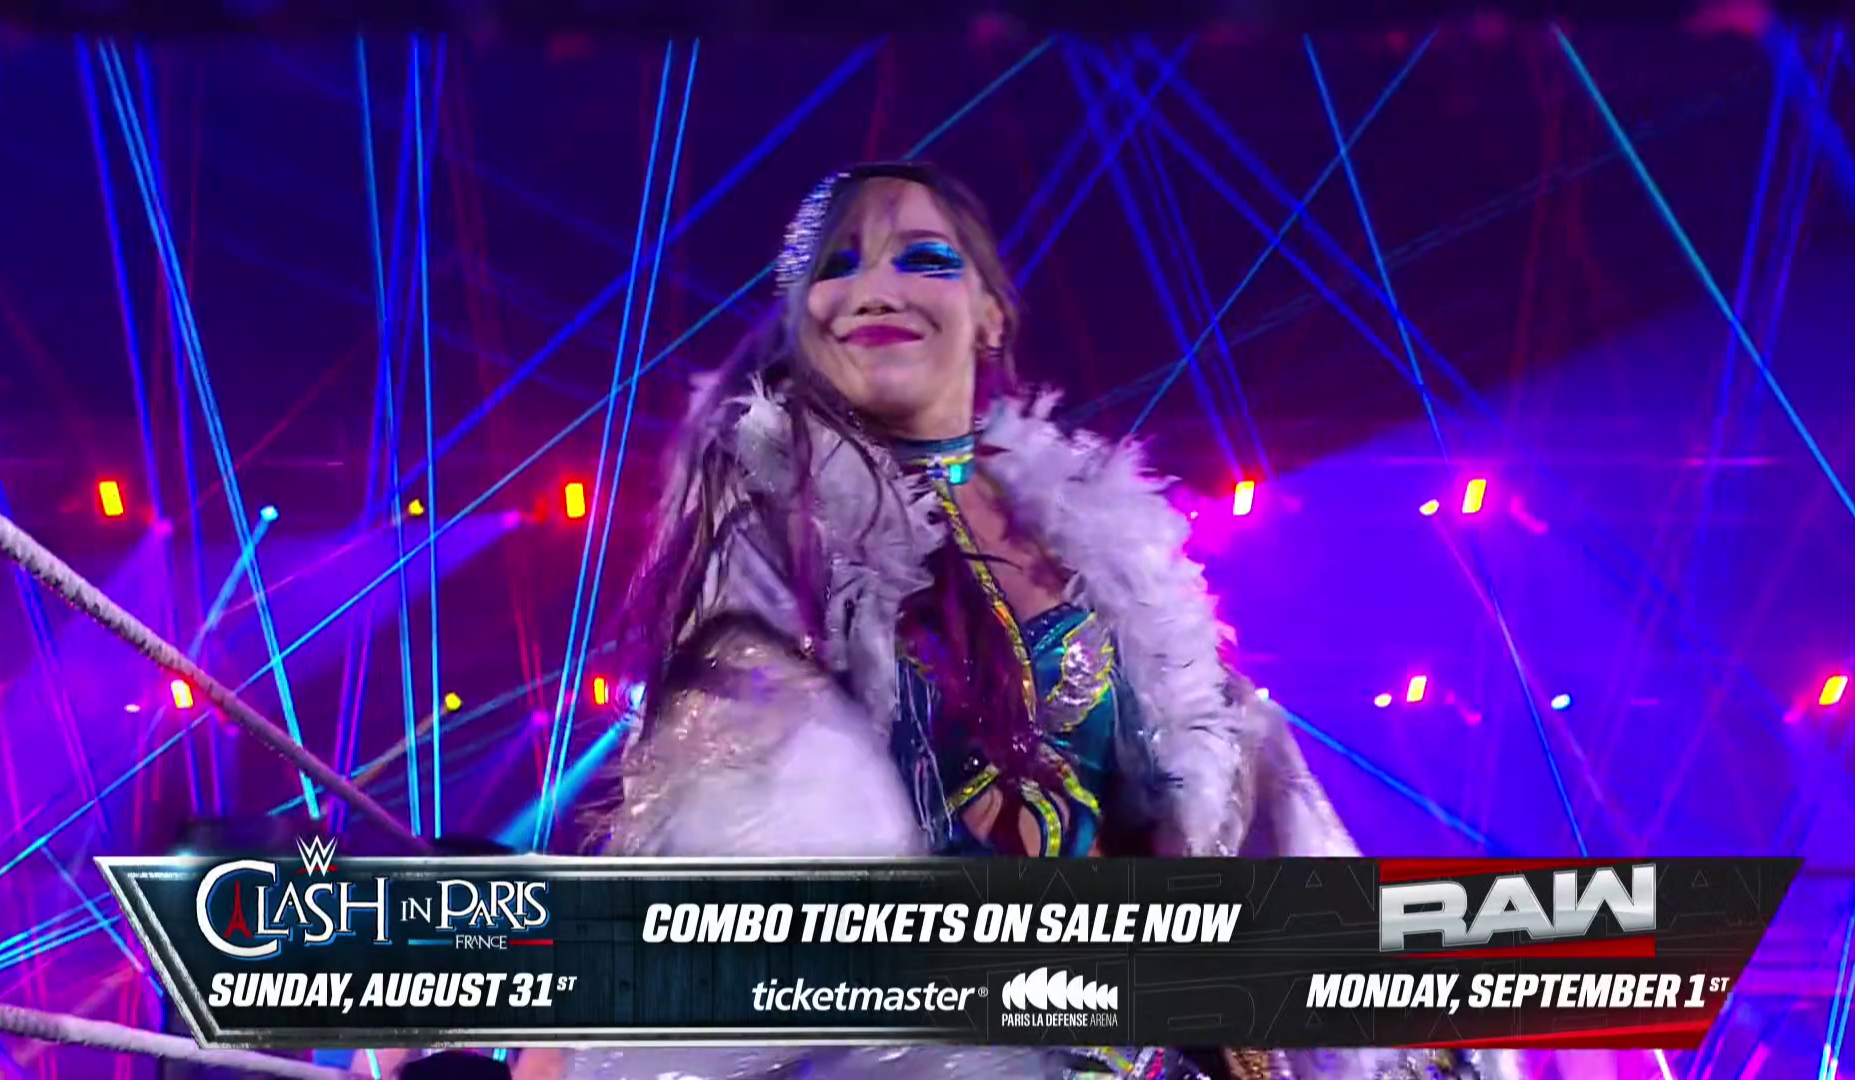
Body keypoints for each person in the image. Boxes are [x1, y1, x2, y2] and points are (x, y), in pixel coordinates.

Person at [565, 162, 1525, 1080]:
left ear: (990, 312)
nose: (875, 288)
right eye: (837, 264)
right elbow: (754, 855)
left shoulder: (1101, 546)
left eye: (921, 257)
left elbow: (1242, 809)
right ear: (802, 317)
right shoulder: (766, 537)